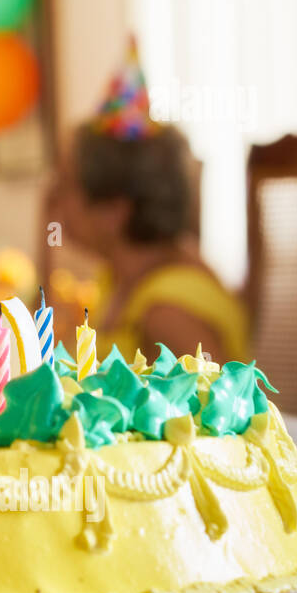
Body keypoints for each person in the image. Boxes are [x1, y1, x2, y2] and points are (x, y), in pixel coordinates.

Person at [45, 40, 249, 363]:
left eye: (66, 186)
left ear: (114, 210)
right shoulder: (119, 282)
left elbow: (225, 409)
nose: (53, 203)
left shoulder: (168, 313)